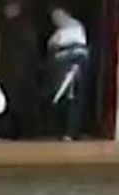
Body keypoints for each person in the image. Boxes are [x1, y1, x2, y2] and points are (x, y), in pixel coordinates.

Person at [0, 0, 40, 139]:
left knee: (18, 103)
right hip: (12, 70)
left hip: (19, 70)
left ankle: (21, 132)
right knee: (10, 102)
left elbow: (30, 47)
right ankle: (15, 131)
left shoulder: (22, 26)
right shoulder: (8, 26)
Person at [48, 7, 90, 141]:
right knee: (64, 100)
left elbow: (55, 44)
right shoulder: (61, 29)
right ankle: (67, 131)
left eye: (58, 15)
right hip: (62, 71)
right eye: (54, 17)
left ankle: (70, 132)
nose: (56, 19)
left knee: (72, 100)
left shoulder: (74, 27)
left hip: (72, 70)